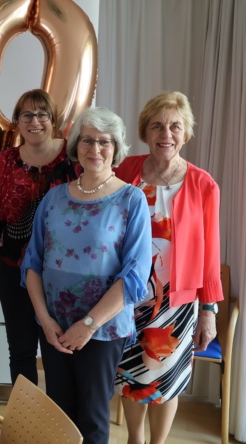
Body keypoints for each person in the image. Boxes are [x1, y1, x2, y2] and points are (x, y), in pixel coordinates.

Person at [21, 107, 152, 444]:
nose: (95, 149)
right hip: (54, 326)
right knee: (58, 416)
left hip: (103, 330)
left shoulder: (131, 199)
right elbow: (32, 264)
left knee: (92, 420)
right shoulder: (53, 197)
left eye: (104, 142)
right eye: (88, 140)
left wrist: (89, 325)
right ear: (76, 145)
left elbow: (135, 274)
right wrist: (44, 319)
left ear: (116, 148)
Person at [113, 92, 222, 444]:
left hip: (176, 302)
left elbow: (209, 252)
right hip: (128, 296)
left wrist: (208, 310)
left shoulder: (203, 184)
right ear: (145, 132)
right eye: (157, 125)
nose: (166, 133)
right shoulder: (124, 170)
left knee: (166, 376)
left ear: (185, 133)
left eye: (175, 126)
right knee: (132, 373)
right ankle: (135, 439)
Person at [0, 89, 77, 386]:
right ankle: (26, 422)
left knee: (57, 348)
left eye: (42, 114)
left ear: (53, 120)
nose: (35, 121)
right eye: (27, 115)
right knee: (20, 350)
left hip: (62, 274)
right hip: (12, 269)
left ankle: (59, 424)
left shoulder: (74, 157)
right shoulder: (3, 164)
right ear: (17, 122)